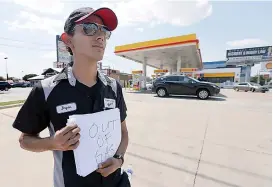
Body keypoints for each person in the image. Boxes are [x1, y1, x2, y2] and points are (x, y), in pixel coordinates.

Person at [12, 7, 130, 187]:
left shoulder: (113, 87)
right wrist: (53, 143)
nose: (100, 37)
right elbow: (25, 140)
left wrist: (119, 159)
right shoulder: (46, 90)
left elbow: (123, 132)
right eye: (90, 28)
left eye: (104, 31)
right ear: (68, 41)